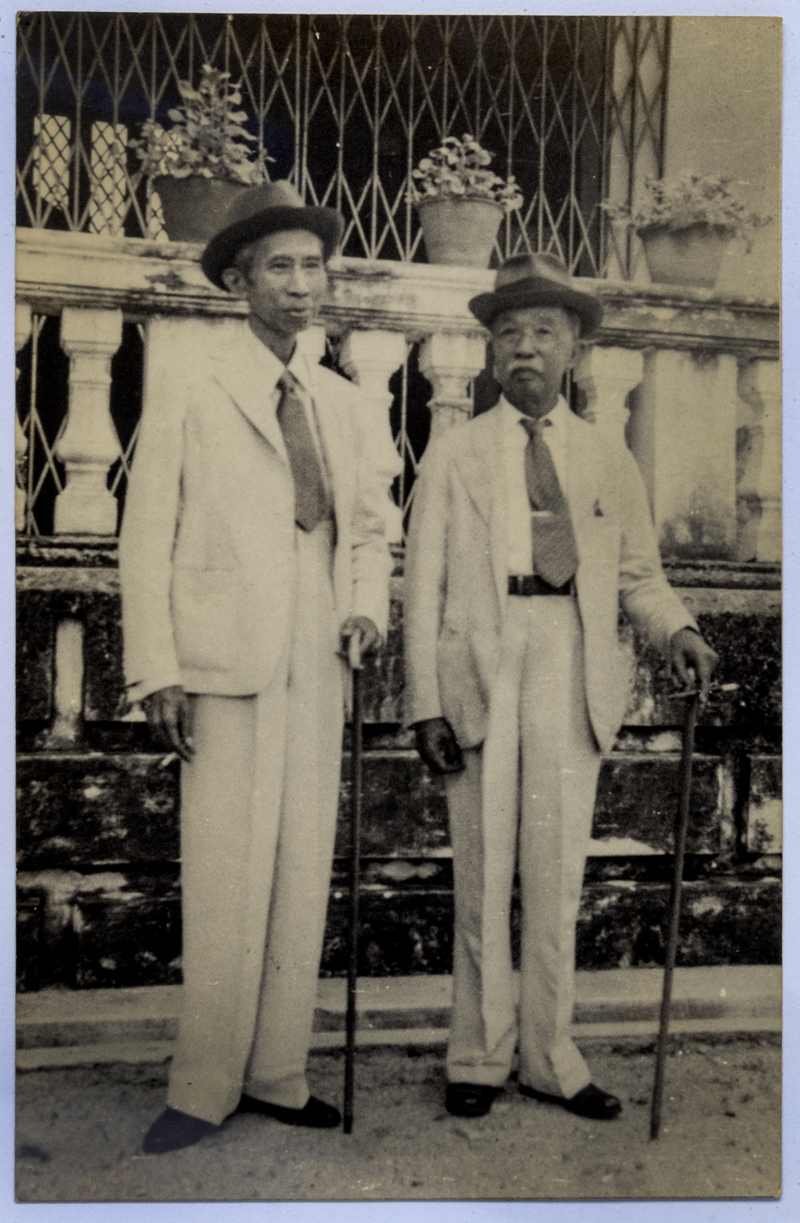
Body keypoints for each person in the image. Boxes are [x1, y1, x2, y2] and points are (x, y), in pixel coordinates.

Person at [403, 253, 718, 1122]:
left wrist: (680, 630)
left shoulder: (607, 456)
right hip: (481, 662)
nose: (525, 348)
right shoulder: (455, 453)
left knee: (555, 875)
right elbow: (421, 587)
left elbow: (639, 576)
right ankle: (476, 1054)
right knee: (480, 872)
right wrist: (423, 702)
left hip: (570, 660)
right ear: (490, 351)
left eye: (544, 332)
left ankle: (550, 1056)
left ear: (575, 348)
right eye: (508, 333)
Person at [119, 181, 400, 1153]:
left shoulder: (347, 404)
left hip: (317, 655)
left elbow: (370, 530)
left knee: (300, 866)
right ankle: (203, 1083)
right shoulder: (192, 387)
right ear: (240, 280)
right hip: (220, 659)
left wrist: (364, 605)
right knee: (224, 872)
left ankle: (278, 1069)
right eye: (279, 266)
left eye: (312, 266)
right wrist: (155, 667)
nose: (300, 284)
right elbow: (145, 533)